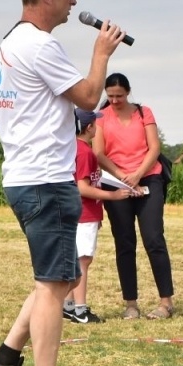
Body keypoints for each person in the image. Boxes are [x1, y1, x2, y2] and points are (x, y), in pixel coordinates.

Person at [0, 0, 124, 366]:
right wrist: (101, 54)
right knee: (54, 283)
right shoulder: (40, 45)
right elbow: (86, 97)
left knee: (53, 281)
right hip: (44, 178)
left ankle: (3, 359)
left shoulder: (10, 42)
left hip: (30, 176)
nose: (74, 1)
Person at [94, 73, 174, 319]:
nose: (115, 100)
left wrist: (138, 174)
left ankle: (166, 302)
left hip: (148, 177)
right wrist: (122, 176)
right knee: (125, 242)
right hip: (116, 182)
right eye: (110, 96)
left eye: (119, 95)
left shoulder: (143, 112)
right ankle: (131, 304)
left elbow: (155, 147)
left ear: (128, 92)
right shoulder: (101, 117)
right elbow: (98, 152)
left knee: (154, 239)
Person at [65, 109, 132, 324]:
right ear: (89, 127)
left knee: (76, 261)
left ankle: (67, 306)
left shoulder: (75, 148)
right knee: (83, 261)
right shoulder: (84, 152)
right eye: (95, 123)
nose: (97, 127)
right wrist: (113, 195)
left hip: (84, 214)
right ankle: (80, 310)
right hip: (83, 215)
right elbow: (83, 188)